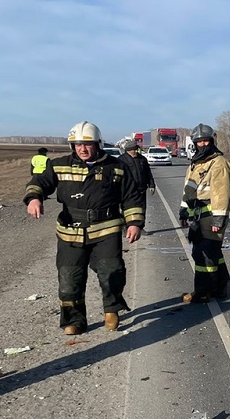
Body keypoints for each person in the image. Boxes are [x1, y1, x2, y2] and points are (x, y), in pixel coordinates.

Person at [24, 121, 145, 335]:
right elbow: (38, 182)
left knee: (112, 272)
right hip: (70, 230)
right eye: (78, 144)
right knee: (70, 278)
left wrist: (134, 222)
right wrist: (34, 198)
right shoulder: (58, 165)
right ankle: (74, 320)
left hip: (106, 229)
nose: (83, 149)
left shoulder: (117, 167)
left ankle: (112, 309)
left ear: (97, 144)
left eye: (87, 144)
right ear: (73, 145)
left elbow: (131, 197)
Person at [178, 123, 230, 303]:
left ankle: (202, 292)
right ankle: (220, 285)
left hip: (211, 216)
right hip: (197, 216)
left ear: (211, 141)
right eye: (199, 141)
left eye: (205, 141)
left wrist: (218, 220)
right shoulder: (195, 164)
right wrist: (184, 211)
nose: (202, 144)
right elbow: (189, 190)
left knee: (204, 254)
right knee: (212, 252)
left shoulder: (218, 163)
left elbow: (221, 192)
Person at [119, 140, 155, 211]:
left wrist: (152, 185)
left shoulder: (142, 159)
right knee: (130, 213)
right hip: (128, 193)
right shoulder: (121, 160)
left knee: (142, 211)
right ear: (128, 150)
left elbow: (148, 173)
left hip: (141, 191)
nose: (136, 151)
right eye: (134, 150)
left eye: (136, 149)